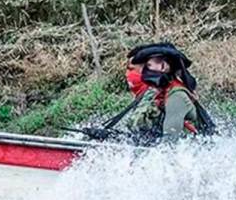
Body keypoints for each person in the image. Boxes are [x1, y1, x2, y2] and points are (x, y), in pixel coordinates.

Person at [85, 43, 215, 145]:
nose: (143, 72)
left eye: (148, 66)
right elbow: (148, 138)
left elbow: (169, 146)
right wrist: (112, 137)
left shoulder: (177, 96)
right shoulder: (159, 93)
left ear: (164, 67)